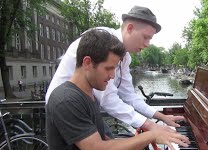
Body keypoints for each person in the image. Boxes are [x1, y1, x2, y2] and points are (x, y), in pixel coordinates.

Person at [46, 29, 189, 150]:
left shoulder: (88, 94)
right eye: (108, 68)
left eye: (114, 68)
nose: (112, 75)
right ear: (87, 63)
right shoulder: (66, 100)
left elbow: (103, 138)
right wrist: (152, 134)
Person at [45, 6, 184, 132]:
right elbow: (108, 99)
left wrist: (162, 117)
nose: (148, 44)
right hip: (65, 110)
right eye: (146, 37)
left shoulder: (125, 56)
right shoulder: (102, 43)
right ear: (130, 28)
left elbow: (128, 95)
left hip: (86, 109)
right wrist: (151, 125)